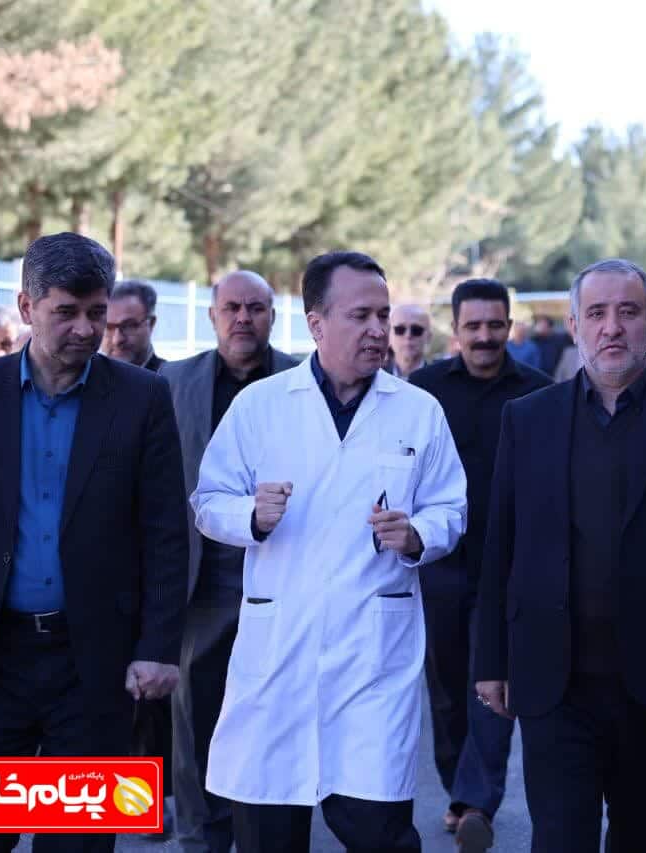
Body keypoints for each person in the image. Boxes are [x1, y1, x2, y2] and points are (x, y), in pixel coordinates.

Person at [0, 233, 188, 853]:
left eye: (96, 312)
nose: (86, 329)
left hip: (94, 665)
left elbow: (165, 532)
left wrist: (158, 648)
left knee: (76, 844)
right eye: (66, 311)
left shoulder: (142, 398)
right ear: (27, 306)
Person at [189, 251, 467, 853]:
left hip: (372, 658)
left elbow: (451, 507)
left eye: (383, 316)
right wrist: (251, 516)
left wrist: (418, 534)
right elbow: (208, 502)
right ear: (316, 323)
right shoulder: (261, 406)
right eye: (360, 316)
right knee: (267, 832)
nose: (377, 330)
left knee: (381, 834)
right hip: (278, 657)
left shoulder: (418, 411)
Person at [474, 258, 646, 853]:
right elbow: (501, 545)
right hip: (552, 681)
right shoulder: (528, 418)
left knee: (640, 838)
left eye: (628, 312)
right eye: (596, 313)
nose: (612, 327)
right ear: (574, 326)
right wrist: (490, 658)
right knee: (559, 839)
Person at [159, 270, 300, 853]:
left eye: (256, 308)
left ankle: (265, 834)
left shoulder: (302, 380)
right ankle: (201, 838)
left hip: (284, 575)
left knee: (274, 717)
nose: (244, 318)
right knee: (196, 717)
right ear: (213, 315)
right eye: (232, 307)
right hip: (203, 581)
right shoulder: (173, 381)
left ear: (273, 316)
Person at [409, 278, 552, 851]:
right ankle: (459, 791)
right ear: (456, 330)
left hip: (512, 567)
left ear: (510, 327)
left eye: (495, 325)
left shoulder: (540, 392)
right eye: (474, 326)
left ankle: (477, 800)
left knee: (494, 681)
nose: (485, 336)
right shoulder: (424, 391)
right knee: (446, 688)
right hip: (440, 563)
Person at [102, 279, 164, 371]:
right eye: (108, 327)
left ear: (151, 323)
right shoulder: (88, 377)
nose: (117, 340)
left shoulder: (171, 378)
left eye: (128, 326)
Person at [389, 304, 432, 379]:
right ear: (388, 335)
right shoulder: (373, 378)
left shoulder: (440, 381)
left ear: (429, 337)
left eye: (416, 330)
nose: (408, 335)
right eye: (400, 329)